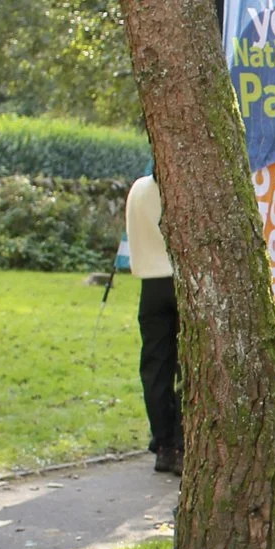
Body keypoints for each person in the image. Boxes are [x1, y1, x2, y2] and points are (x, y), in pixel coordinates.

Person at [124, 172, 180, 474]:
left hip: (150, 284)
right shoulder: (185, 186)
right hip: (181, 280)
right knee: (189, 368)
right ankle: (184, 441)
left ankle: (163, 443)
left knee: (156, 367)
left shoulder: (139, 189)